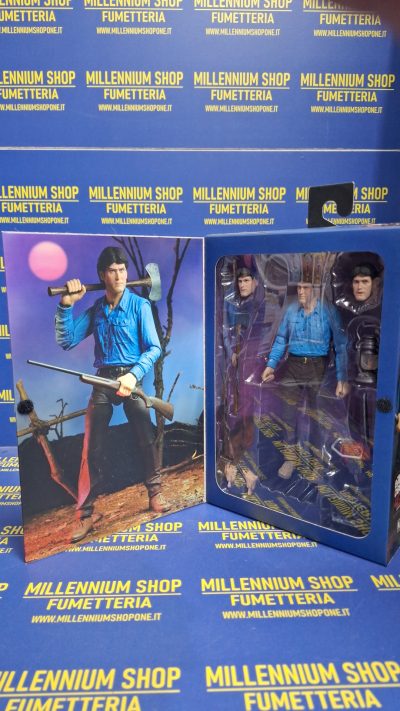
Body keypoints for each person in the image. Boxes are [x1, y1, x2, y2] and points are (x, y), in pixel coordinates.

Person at [55, 245, 169, 543]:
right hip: (103, 381)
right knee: (91, 446)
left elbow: (154, 348)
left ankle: (155, 493)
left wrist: (133, 375)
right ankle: (85, 514)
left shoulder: (139, 306)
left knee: (145, 433)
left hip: (131, 379)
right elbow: (66, 340)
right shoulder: (97, 310)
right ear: (101, 275)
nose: (119, 276)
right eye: (112, 271)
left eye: (122, 270)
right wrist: (66, 304)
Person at [261, 263, 349, 480]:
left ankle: (317, 459)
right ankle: (290, 457)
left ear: (316, 289)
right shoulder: (291, 310)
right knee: (287, 415)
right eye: (299, 287)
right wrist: (271, 364)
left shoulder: (328, 311)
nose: (300, 291)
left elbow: (340, 345)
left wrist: (342, 378)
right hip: (293, 366)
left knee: (317, 417)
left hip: (318, 368)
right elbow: (281, 338)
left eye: (305, 287)